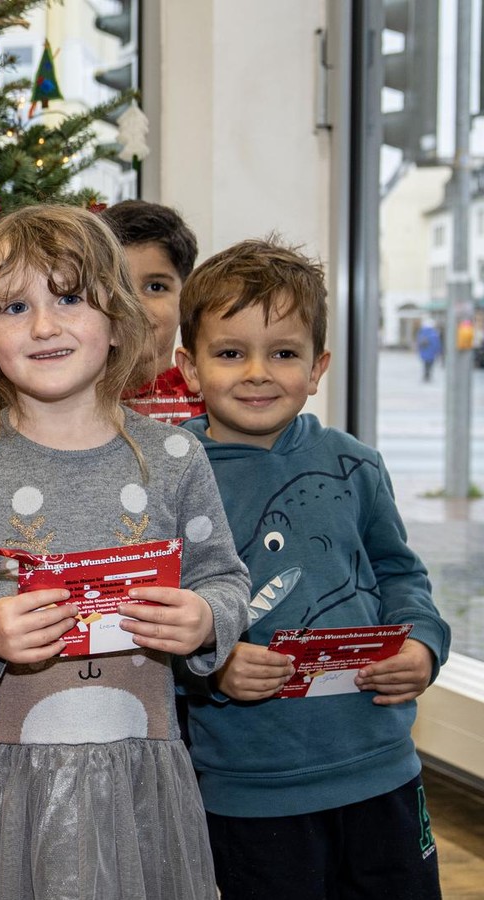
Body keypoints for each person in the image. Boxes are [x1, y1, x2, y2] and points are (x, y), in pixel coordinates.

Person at [0, 203, 249, 900]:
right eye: (15, 307)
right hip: (5, 784)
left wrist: (207, 619)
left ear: (118, 320)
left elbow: (226, 579)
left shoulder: (175, 457)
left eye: (69, 298)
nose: (44, 326)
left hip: (135, 778)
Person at [174, 238, 449, 900]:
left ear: (318, 367)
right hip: (250, 789)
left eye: (284, 353)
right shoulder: (170, 478)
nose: (257, 373)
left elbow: (401, 575)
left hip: (382, 768)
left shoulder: (355, 463)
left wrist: (422, 642)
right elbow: (156, 617)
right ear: (189, 368)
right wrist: (214, 664)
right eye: (230, 353)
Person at [102, 200, 203, 423]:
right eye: (117, 287)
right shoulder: (68, 401)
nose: (134, 304)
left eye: (156, 287)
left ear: (186, 297)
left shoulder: (211, 400)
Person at [415, 318, 441, 383]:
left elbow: (418, 343)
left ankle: (425, 375)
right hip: (431, 353)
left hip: (424, 352)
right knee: (430, 365)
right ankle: (428, 376)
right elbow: (436, 344)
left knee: (425, 365)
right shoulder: (434, 333)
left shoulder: (421, 332)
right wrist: (438, 351)